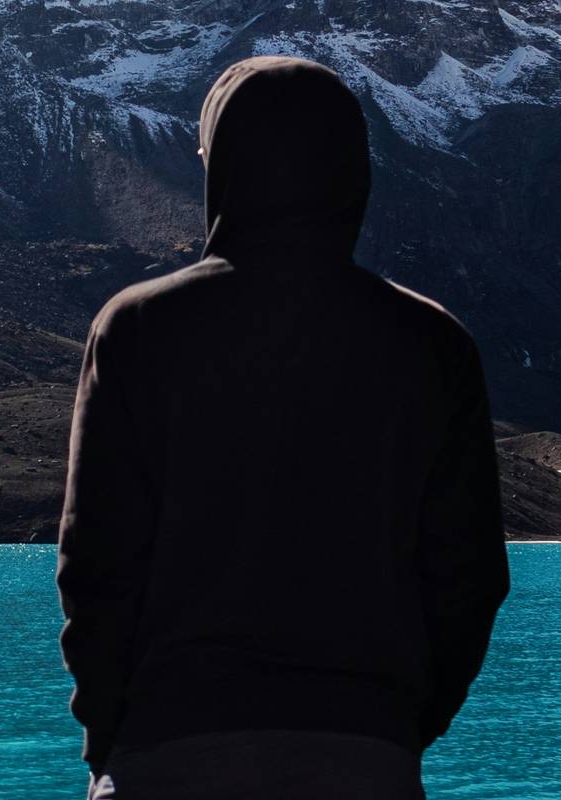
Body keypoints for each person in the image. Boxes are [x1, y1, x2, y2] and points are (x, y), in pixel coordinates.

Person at [55, 55, 511, 799]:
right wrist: (391, 730)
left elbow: (95, 566)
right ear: (352, 169)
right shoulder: (433, 343)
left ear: (222, 165)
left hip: (166, 751)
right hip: (367, 758)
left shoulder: (138, 327)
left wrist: (115, 739)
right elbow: (469, 579)